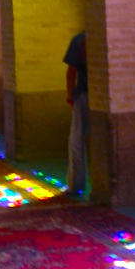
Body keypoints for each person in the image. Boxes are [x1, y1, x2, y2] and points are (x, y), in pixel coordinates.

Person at [62, 30, 88, 197]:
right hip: (102, 95)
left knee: (77, 140)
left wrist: (70, 96)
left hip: (84, 95)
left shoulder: (80, 40)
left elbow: (71, 71)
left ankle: (76, 185)